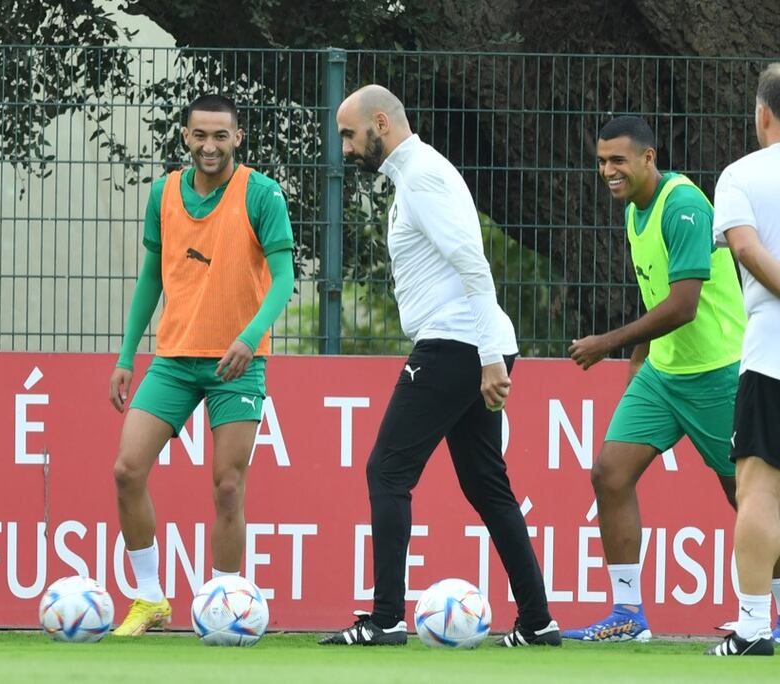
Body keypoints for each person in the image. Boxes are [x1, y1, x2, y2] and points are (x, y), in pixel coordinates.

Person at [320, 84, 560, 648]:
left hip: (457, 345)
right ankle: (538, 622)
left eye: (350, 135)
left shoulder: (423, 175)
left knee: (387, 472)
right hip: (467, 343)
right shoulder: (415, 176)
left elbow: (472, 264)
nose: (347, 149)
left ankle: (384, 621)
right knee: (486, 485)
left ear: (381, 123)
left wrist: (490, 360)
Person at [564, 115, 775, 642]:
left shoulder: (682, 205)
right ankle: (628, 615)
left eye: (618, 160)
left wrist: (607, 343)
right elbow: (658, 294)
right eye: (602, 161)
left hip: (718, 373)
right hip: (664, 373)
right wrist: (640, 357)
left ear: (648, 158)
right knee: (609, 475)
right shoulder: (637, 209)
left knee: (751, 500)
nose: (608, 170)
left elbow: (682, 306)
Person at [107, 94, 295, 636]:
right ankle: (149, 600)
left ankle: (224, 606)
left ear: (238, 138)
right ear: (185, 137)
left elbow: (283, 279)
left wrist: (250, 337)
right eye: (199, 135)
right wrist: (125, 357)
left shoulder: (261, 194)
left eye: (220, 136)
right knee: (127, 470)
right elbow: (151, 278)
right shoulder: (164, 192)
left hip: (238, 363)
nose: (209, 146)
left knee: (228, 486)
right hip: (172, 360)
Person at [706, 63, 780, 656]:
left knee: (759, 490)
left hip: (771, 354)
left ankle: (754, 627)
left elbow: (746, 248)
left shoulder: (740, 175)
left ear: (761, 114)